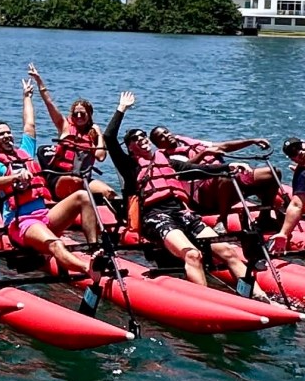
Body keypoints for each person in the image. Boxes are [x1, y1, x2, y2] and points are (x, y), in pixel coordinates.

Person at [107, 92, 251, 291]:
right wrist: (122, 108)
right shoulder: (129, 166)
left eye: (142, 136)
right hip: (156, 216)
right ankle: (207, 303)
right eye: (135, 139)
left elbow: (200, 170)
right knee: (192, 254)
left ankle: (260, 298)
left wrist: (229, 167)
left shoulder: (169, 163)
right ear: (130, 149)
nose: (141, 139)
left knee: (228, 251)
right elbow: (108, 137)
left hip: (182, 213)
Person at [0, 86, 103, 276]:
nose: (6, 136)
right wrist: (15, 176)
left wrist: (27, 97)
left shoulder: (25, 152)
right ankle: (87, 269)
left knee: (83, 196)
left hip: (45, 216)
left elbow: (29, 125)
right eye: (1, 134)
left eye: (8, 132)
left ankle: (93, 248)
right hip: (22, 223)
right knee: (56, 243)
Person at [150, 126, 282, 224]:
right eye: (161, 137)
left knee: (272, 173)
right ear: (158, 144)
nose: (166, 136)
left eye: (166, 132)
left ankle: (265, 215)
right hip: (203, 196)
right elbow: (187, 169)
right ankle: (222, 221)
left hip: (227, 179)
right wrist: (204, 154)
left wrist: (252, 141)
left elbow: (223, 147)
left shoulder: (190, 143)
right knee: (225, 177)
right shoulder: (166, 158)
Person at [27, 64, 113, 201]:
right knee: (72, 182)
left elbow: (101, 157)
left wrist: (99, 133)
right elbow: (49, 103)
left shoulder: (93, 134)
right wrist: (39, 81)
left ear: (90, 115)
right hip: (60, 177)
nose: (78, 116)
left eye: (82, 114)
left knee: (109, 192)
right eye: (75, 113)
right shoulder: (64, 126)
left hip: (84, 179)